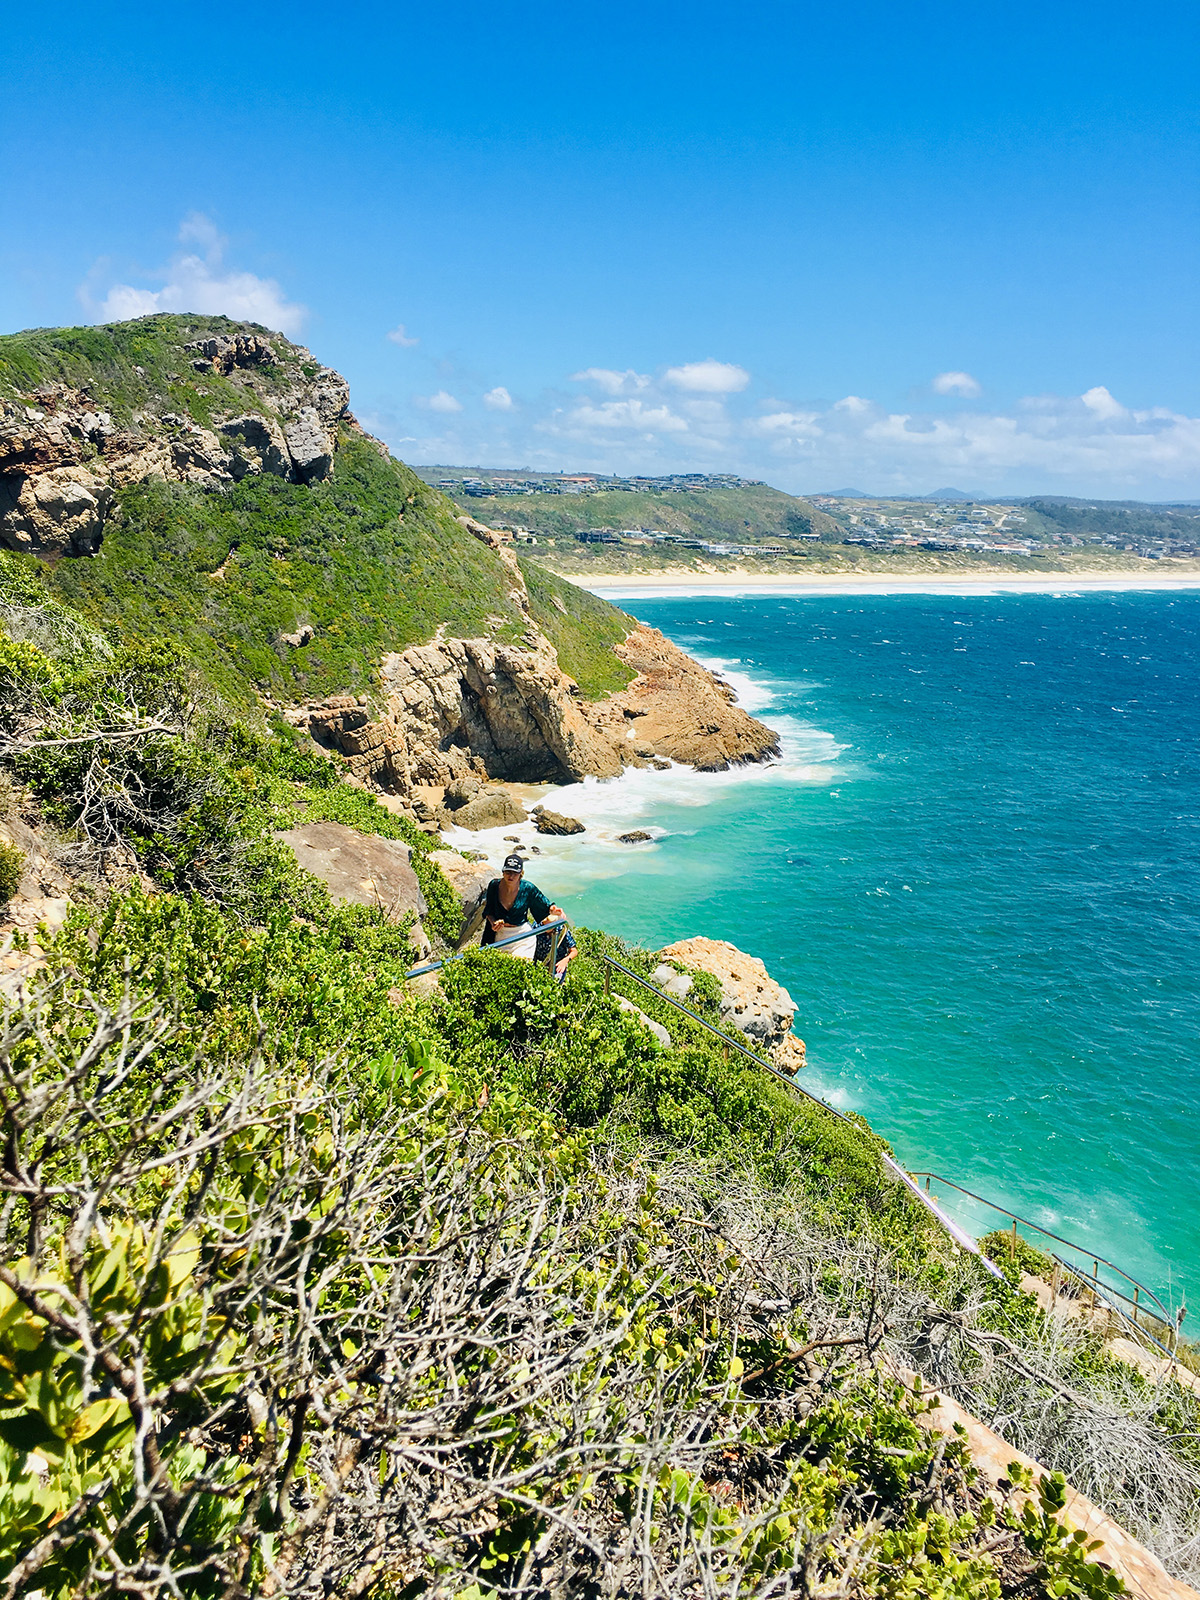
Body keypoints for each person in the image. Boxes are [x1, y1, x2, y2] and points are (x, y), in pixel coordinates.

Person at [480, 854, 554, 963]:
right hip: (500, 936)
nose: (511, 876)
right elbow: (488, 911)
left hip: (522, 936)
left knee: (519, 967)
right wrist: (493, 923)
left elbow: (545, 905)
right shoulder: (494, 886)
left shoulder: (528, 888)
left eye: (515, 873)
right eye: (508, 872)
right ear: (503, 872)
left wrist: (554, 909)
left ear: (521, 873)